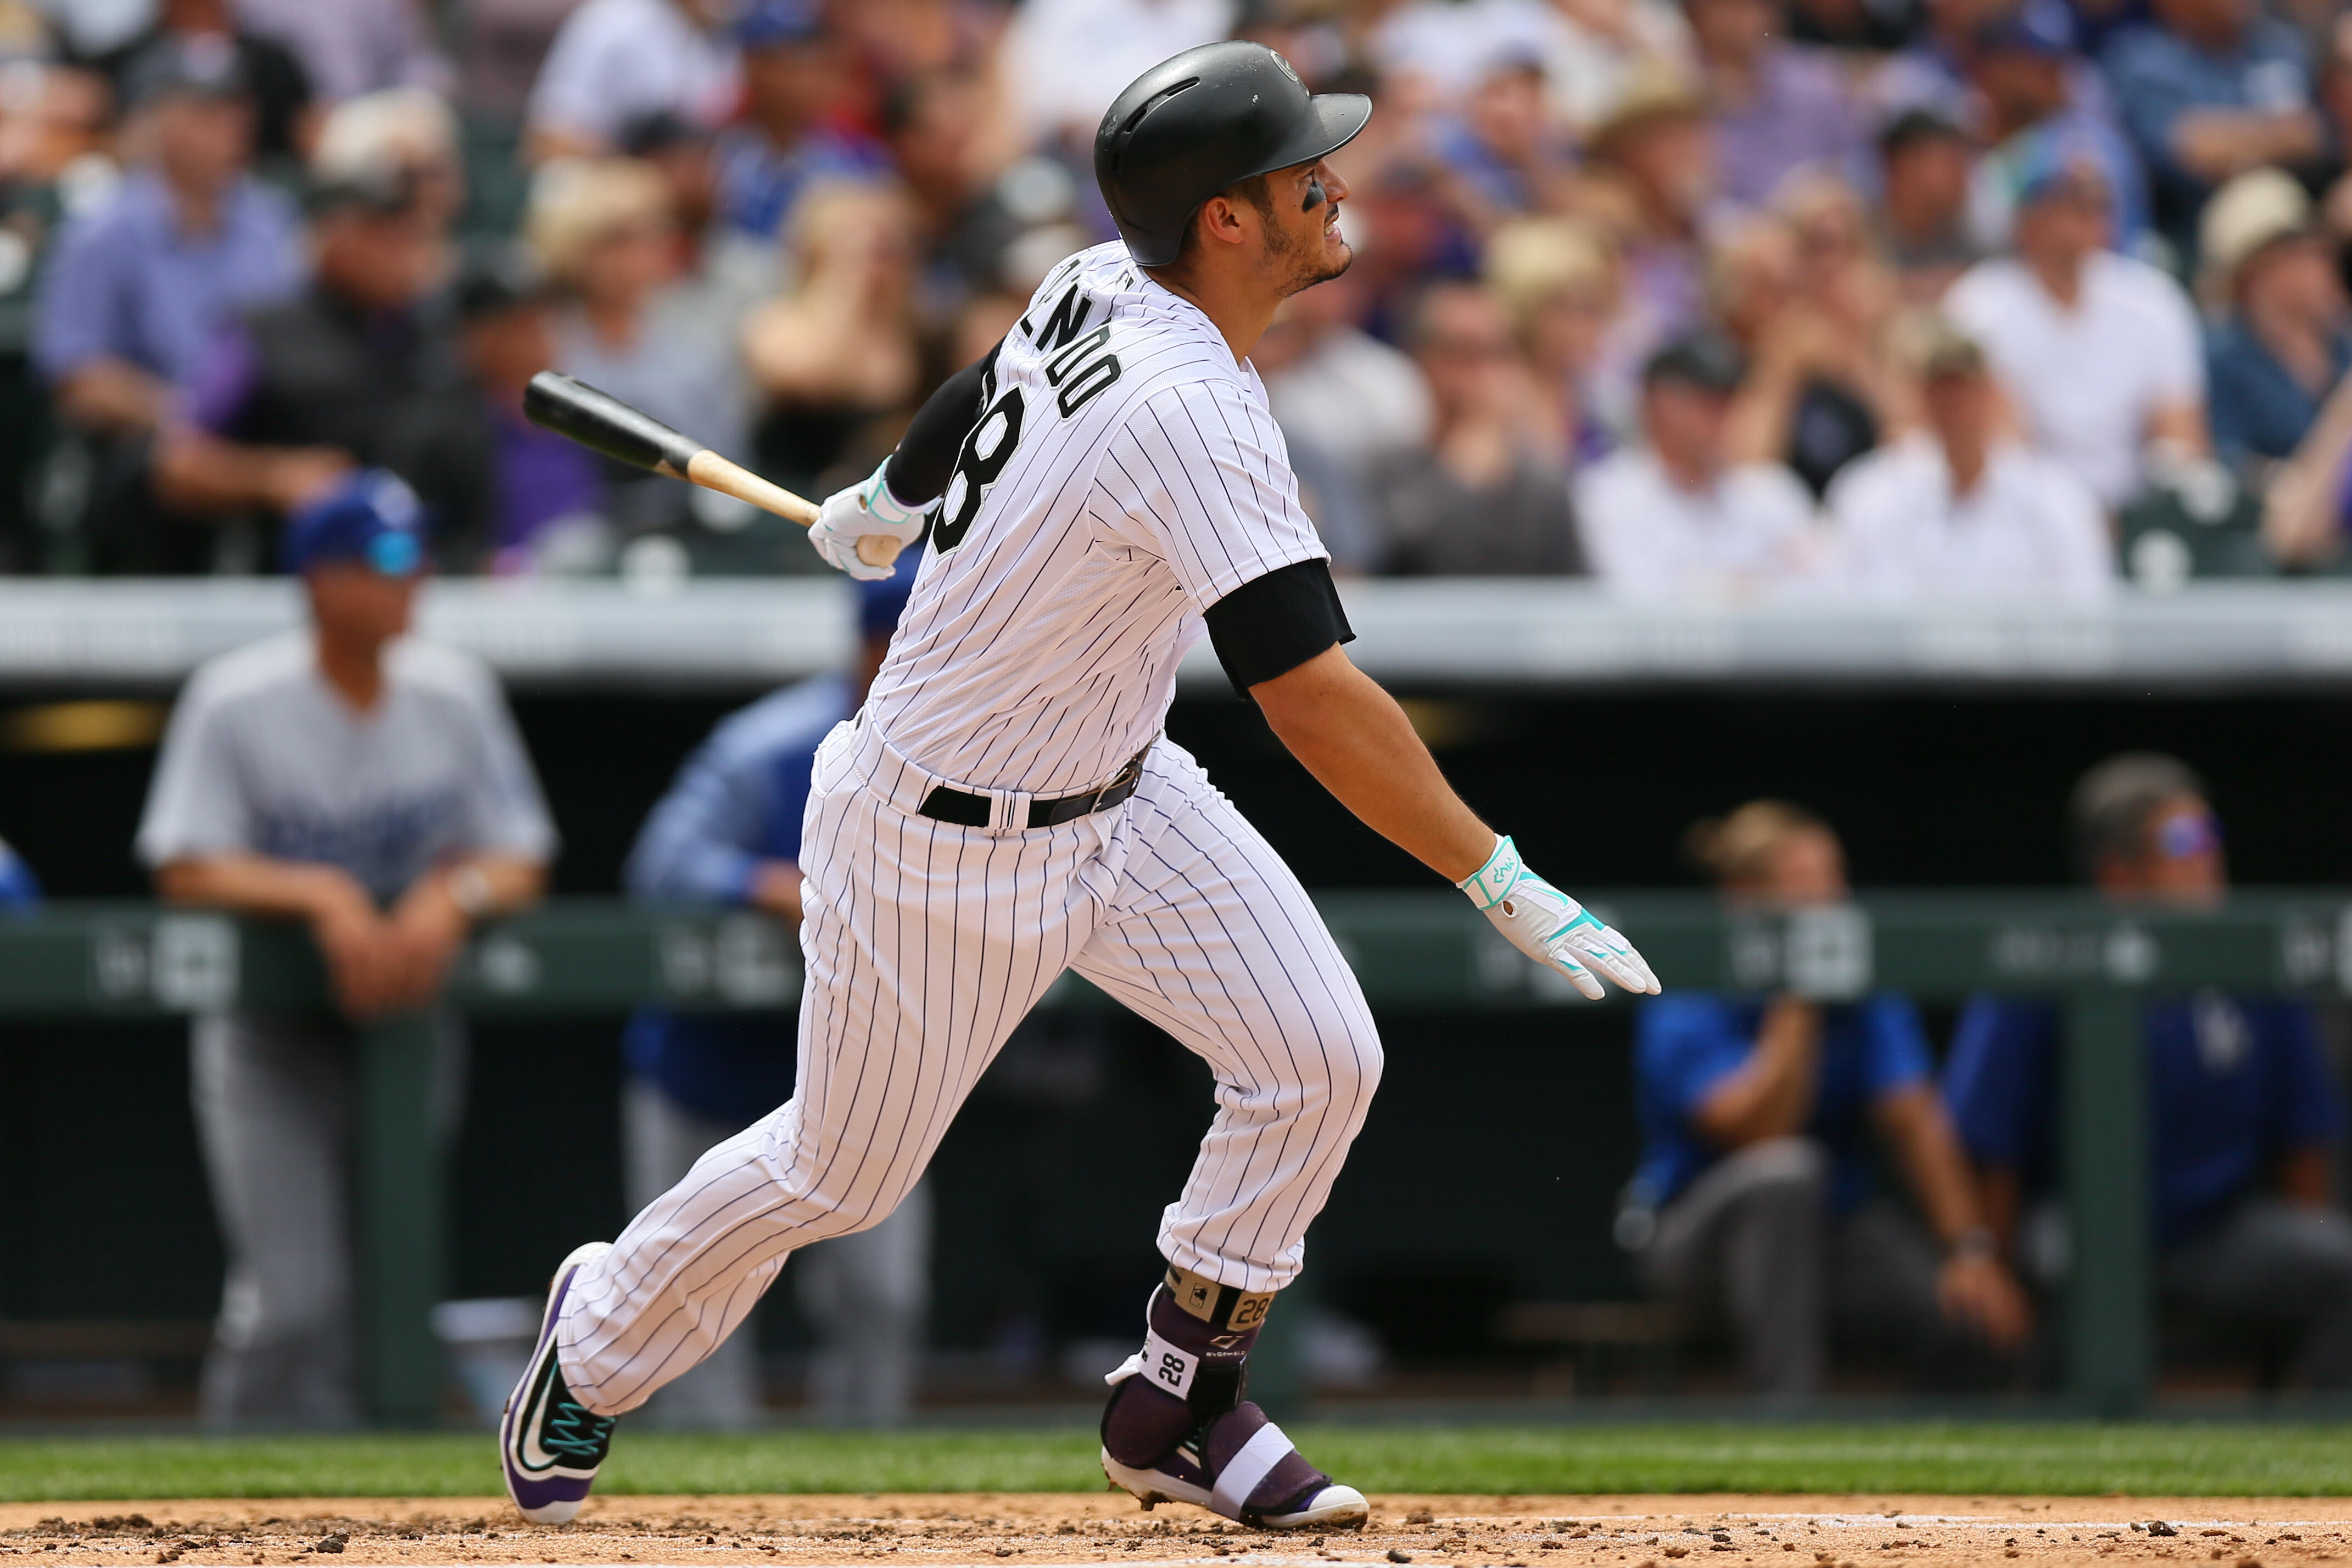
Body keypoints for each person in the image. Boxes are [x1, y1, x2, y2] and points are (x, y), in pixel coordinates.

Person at [500, 38, 1657, 1531]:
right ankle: (594, 1333)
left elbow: (988, 381)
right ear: (1225, 221)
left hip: (1118, 788)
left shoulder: (1099, 278)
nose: (1331, 183)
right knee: (838, 1174)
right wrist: (1492, 870)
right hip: (936, 839)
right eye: (1300, 170)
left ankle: (1181, 1400)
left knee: (1317, 1059)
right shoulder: (1189, 403)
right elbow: (1307, 692)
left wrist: (894, 493)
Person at [136, 471, 555, 1426]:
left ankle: (365, 1517)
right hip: (271, 1032)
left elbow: (523, 857)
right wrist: (320, 893)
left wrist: (455, 894)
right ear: (318, 580)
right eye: (388, 561)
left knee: (387, 1287)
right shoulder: (235, 697)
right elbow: (183, 865)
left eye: (418, 560)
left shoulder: (455, 693)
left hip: (405, 1021)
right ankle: (222, 1500)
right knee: (290, 1299)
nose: (413, 582)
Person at [620, 560, 931, 1427]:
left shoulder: (981, 748)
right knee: (692, 1305)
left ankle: (865, 1506)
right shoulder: (769, 745)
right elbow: (663, 863)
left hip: (862, 1072)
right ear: (875, 645)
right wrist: (770, 883)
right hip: (711, 1070)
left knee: (884, 1299)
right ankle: (719, 1528)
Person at [1945, 754, 2352, 1389]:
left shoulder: (2253, 964)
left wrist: (2302, 1233)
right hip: (2078, 1224)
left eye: (2209, 837)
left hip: (2215, 1228)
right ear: (2117, 873)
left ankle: (2307, 1460)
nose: (2204, 859)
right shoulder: (2040, 964)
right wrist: (1988, 1261)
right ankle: (2049, 1461)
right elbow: (1988, 1146)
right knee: (2021, 1291)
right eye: (2180, 843)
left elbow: (2303, 1137)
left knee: (2333, 1265)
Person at [1625, 801, 2029, 1401]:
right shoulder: (1689, 980)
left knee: (1966, 1321)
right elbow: (1755, 1133)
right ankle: (1784, 1417)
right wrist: (1798, 999)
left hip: (1828, 1238)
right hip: (1694, 1241)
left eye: (1832, 878)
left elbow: (1913, 1120)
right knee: (1787, 1171)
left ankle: (1919, 1471)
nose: (1829, 899)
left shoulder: (1858, 988)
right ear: (1743, 895)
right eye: (1804, 881)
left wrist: (1969, 1250)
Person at [33, 38, 303, 574]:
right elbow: (78, 375)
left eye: (236, 108)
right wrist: (188, 414)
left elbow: (304, 340)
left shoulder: (274, 220)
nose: (230, 124)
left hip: (265, 429)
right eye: (204, 110)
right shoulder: (102, 232)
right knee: (162, 468)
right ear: (157, 121)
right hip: (159, 437)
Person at [157, 167, 489, 566]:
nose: (403, 249)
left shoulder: (440, 337)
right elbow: (179, 466)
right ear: (329, 236)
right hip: (303, 576)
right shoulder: (263, 332)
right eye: (379, 232)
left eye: (408, 233)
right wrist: (272, 477)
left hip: (428, 571)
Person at [1943, 152, 2209, 512]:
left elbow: (2180, 436)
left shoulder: (2152, 300)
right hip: (2026, 513)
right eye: (2071, 201)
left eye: (2101, 203)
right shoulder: (1979, 304)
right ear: (2027, 217)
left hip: (2137, 513)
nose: (2091, 215)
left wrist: (2154, 509)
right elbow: (2000, 439)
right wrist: (2069, 519)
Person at [1828, 322, 2114, 603]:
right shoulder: (1870, 495)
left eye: (1965, 390)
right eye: (1942, 391)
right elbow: (1853, 611)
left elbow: (2085, 610)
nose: (1956, 405)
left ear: (1991, 394)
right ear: (1921, 398)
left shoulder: (2055, 497)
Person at [1574, 332, 1826, 604]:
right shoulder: (1606, 496)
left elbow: (1823, 592)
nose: (1720, 415)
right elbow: (1631, 601)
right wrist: (1750, 588)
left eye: (1727, 400)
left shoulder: (1771, 492)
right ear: (1657, 404)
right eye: (1703, 400)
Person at [1367, 281, 1584, 575]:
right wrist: (1461, 473)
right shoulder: (1383, 471)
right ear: (1422, 361)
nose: (1483, 373)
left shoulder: (1542, 484)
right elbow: (1398, 563)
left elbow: (1578, 595)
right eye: (1464, 352)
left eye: (1497, 353)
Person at [2099, 0, 2321, 251]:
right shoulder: (2140, 56)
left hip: (2298, 217)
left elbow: (2308, 135)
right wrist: (2273, 138)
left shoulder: (2276, 43)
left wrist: (2226, 145)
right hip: (2187, 234)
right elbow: (2188, 148)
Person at [2200, 167, 2352, 490]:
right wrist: (2296, 485)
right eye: (2295, 254)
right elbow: (2225, 460)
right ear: (2254, 275)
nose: (2317, 266)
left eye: (2317, 252)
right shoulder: (2222, 359)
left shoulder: (2343, 346)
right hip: (2263, 525)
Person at [710, 0, 887, 245]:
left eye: (812, 61)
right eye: (786, 61)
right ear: (751, 65)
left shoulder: (859, 158)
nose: (802, 77)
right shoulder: (714, 154)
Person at [1685, 0, 1865, 209]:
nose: (1751, 16)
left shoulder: (1817, 80)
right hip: (1734, 233)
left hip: (1824, 223)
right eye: (1733, 6)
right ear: (1696, 15)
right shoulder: (1678, 94)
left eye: (1762, 5)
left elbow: (1857, 169)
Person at [525, 0, 741, 163]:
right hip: (622, 174)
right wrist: (633, 162)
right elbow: (547, 139)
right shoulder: (614, 20)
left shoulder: (745, 35)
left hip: (713, 190)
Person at [1874, 108, 1978, 304]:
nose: (1964, 177)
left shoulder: (1971, 238)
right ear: (1904, 166)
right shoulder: (1858, 229)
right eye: (1951, 163)